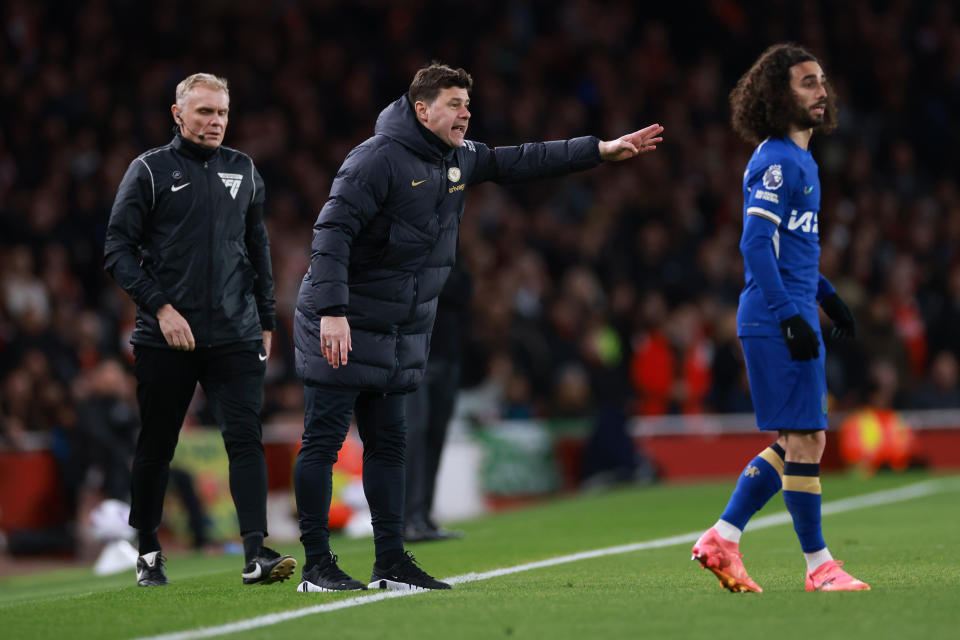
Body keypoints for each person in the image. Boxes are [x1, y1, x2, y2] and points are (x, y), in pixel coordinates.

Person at [293, 62, 663, 593]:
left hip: (396, 328)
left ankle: (391, 561)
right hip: (343, 321)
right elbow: (330, 231)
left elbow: (524, 159)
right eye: (454, 104)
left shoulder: (458, 158)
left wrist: (598, 150)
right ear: (422, 111)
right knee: (323, 444)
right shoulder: (375, 159)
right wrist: (332, 312)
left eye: (468, 104)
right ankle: (317, 566)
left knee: (390, 446)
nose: (466, 113)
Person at [104, 73, 295, 587]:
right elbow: (117, 250)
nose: (215, 122)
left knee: (245, 439)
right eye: (205, 112)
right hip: (167, 335)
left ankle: (256, 551)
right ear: (178, 113)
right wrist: (161, 308)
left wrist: (266, 318)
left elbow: (258, 247)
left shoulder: (244, 170)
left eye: (222, 114)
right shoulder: (148, 170)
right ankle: (147, 548)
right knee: (157, 445)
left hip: (235, 333)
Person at [691, 44, 869, 593]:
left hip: (790, 310)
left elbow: (793, 250)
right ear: (777, 96)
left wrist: (827, 295)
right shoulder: (775, 161)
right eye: (806, 83)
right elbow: (756, 244)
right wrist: (791, 314)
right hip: (775, 317)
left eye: (822, 81)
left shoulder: (803, 160)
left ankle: (723, 536)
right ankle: (819, 567)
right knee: (806, 438)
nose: (820, 91)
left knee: (803, 440)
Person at [403, 254, 470, 543]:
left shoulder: (450, 248)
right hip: (417, 352)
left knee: (435, 435)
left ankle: (424, 515)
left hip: (449, 354)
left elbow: (464, 289)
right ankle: (408, 518)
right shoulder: (410, 243)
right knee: (414, 435)